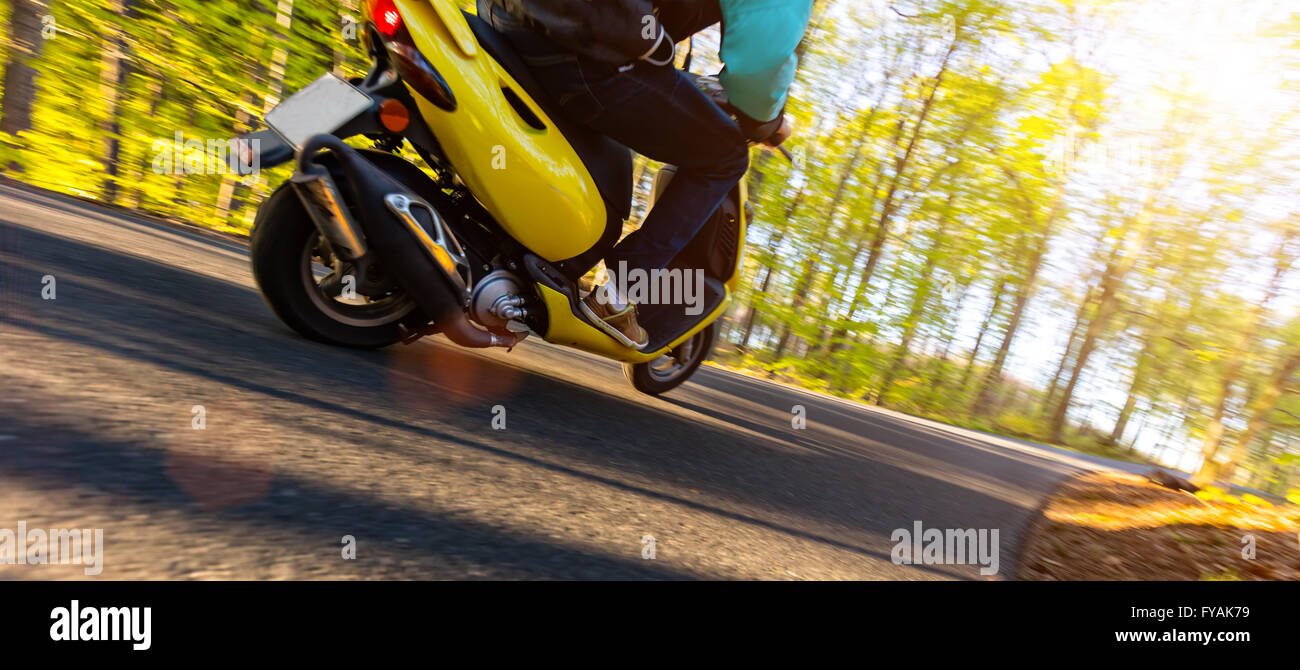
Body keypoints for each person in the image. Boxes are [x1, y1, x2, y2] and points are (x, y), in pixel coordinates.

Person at [479, 0, 813, 349]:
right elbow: (762, 60)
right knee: (726, 156)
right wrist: (766, 120)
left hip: (508, 16)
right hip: (582, 44)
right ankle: (617, 295)